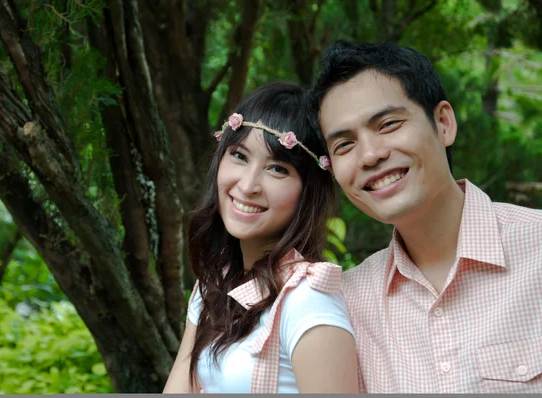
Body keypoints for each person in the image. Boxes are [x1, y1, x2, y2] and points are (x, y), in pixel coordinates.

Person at [311, 40, 542, 393]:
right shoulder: (346, 305)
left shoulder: (536, 251)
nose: (370, 155)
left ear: (444, 123)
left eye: (387, 124)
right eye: (344, 145)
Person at [163, 83, 358, 394]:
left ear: (308, 193)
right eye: (239, 156)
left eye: (277, 168)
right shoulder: (214, 284)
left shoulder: (308, 300)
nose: (248, 184)